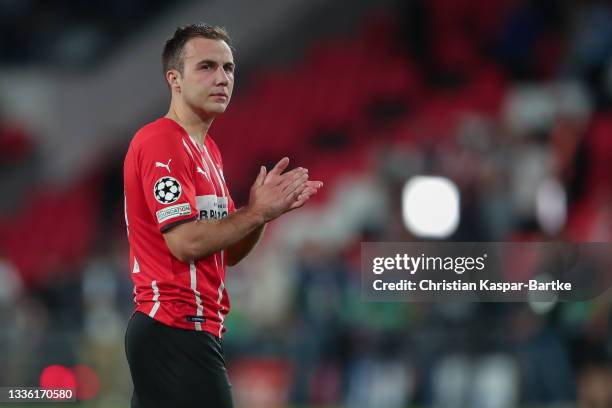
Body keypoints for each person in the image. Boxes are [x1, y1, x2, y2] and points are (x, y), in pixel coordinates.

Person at [123, 23, 322, 408]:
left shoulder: (208, 151)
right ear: (174, 79)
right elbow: (184, 243)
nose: (222, 78)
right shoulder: (160, 141)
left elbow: (227, 251)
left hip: (186, 330)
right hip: (175, 326)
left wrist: (263, 214)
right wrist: (254, 212)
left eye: (228, 68)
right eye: (207, 67)